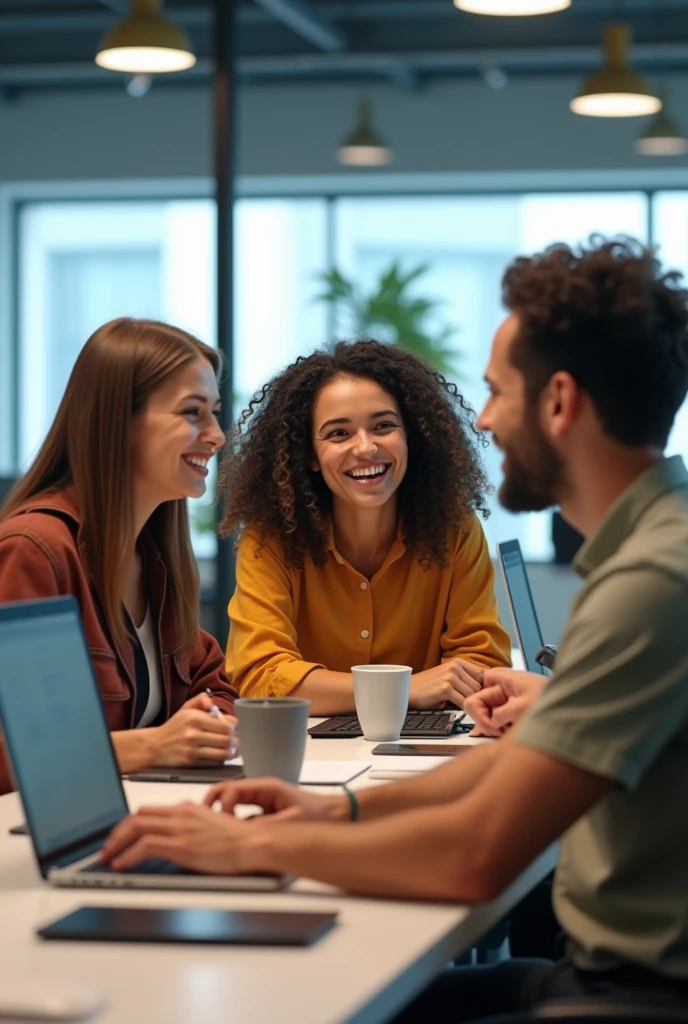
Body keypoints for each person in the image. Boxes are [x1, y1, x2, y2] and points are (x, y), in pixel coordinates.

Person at [102, 238, 688, 1017]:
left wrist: (251, 846)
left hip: (633, 998)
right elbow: (510, 766)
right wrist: (334, 809)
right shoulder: (652, 558)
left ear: (558, 403)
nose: (480, 418)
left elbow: (477, 854)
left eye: (496, 391)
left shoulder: (652, 583)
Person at [0, 318, 238, 796]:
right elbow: (16, 753)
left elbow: (217, 686)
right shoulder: (34, 550)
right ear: (118, 422)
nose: (217, 436)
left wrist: (204, 724)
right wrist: (151, 746)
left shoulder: (152, 553)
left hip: (133, 814)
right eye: (193, 413)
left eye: (214, 413)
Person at [220, 339, 511, 715]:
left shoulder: (455, 529)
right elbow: (260, 675)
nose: (365, 448)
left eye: (384, 426)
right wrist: (400, 689)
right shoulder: (271, 538)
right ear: (309, 453)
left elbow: (481, 661)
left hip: (422, 749)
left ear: (411, 437)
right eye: (338, 433)